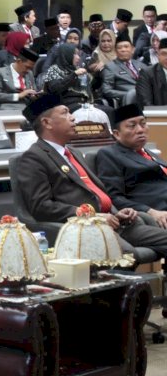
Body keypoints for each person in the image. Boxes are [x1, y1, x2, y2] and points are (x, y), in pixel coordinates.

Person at [17, 94, 167, 260]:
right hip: (87, 228)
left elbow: (96, 194)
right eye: (65, 113)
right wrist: (91, 216)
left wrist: (117, 212)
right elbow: (41, 206)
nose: (73, 117)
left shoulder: (73, 152)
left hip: (116, 222)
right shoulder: (33, 158)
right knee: (126, 258)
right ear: (47, 123)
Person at [95, 104, 167, 228]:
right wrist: (151, 211)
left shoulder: (148, 153)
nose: (140, 130)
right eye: (132, 125)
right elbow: (114, 197)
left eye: (143, 124)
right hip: (159, 212)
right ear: (117, 134)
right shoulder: (109, 154)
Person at [42, 43, 91, 111]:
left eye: (78, 54)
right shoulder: (53, 69)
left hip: (81, 103)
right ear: (67, 54)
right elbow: (55, 89)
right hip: (63, 106)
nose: (78, 57)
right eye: (75, 54)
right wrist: (74, 75)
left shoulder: (76, 69)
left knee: (106, 110)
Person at [101, 38, 144, 104]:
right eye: (119, 48)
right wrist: (129, 94)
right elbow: (106, 90)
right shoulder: (110, 67)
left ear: (133, 50)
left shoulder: (141, 65)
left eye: (126, 47)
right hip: (128, 101)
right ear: (115, 51)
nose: (123, 50)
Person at [135, 38, 167, 106]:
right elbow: (145, 102)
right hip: (158, 115)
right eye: (164, 54)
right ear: (158, 55)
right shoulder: (147, 74)